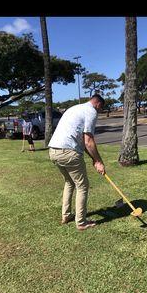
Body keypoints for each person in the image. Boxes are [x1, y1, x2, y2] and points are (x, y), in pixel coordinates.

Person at [48, 94, 106, 231]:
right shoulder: (91, 112)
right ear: (98, 104)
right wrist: (99, 161)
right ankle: (81, 222)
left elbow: (82, 142)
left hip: (53, 151)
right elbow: (88, 141)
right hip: (68, 152)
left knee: (69, 182)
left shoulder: (75, 108)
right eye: (101, 108)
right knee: (83, 186)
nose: (100, 111)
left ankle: (66, 215)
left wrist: (94, 160)